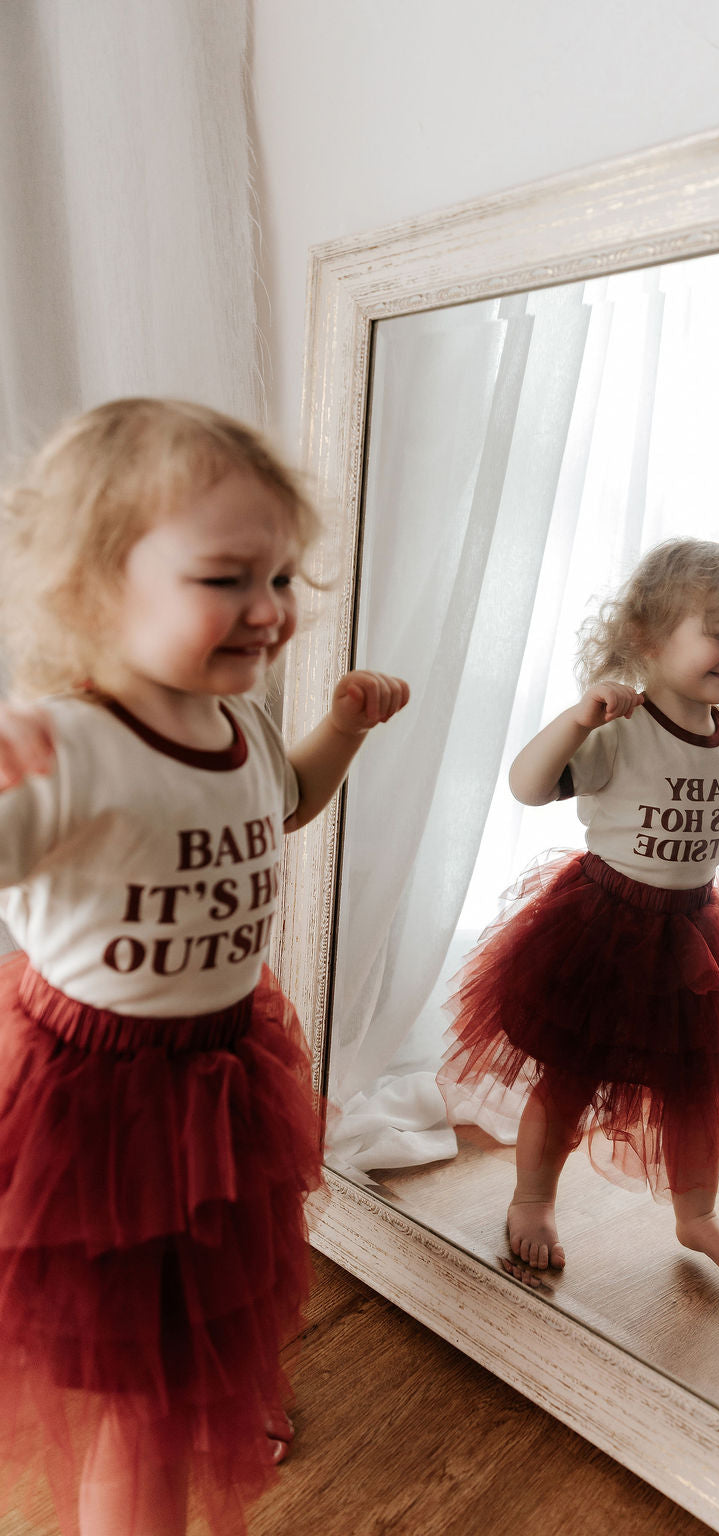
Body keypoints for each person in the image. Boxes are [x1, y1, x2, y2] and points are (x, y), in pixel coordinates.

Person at [0, 398, 409, 1535]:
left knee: (215, 1288)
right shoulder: (68, 745)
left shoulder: (240, 720)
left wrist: (342, 731)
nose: (271, 610)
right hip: (100, 1098)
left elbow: (285, 805)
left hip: (223, 1064)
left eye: (282, 578)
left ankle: (211, 1390)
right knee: (134, 1387)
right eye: (228, 578)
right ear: (93, 586)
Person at [438, 538, 719, 1281]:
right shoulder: (622, 727)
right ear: (648, 637)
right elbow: (527, 785)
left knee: (694, 1088)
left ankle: (698, 1216)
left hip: (689, 932)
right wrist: (577, 720)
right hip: (602, 926)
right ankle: (532, 1199)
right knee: (571, 1075)